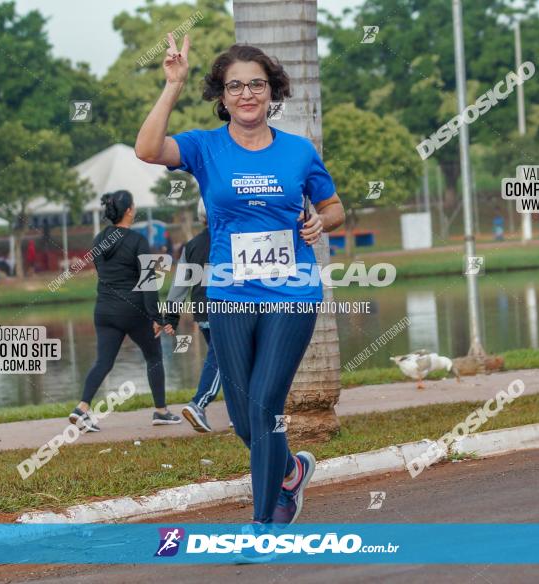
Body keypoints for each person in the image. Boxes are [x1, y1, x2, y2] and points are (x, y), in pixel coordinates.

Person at [135, 34, 346, 532]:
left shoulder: (298, 152)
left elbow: (334, 207)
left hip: (292, 293)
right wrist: (172, 84)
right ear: (222, 96)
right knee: (245, 417)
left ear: (273, 93)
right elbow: (147, 149)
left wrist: (321, 224)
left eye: (257, 84)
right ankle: (292, 470)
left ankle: (263, 522)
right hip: (229, 294)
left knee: (266, 403)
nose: (247, 94)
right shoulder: (204, 147)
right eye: (236, 86)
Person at [69, 190, 181, 431]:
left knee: (104, 361)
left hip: (104, 311)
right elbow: (148, 282)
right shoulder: (137, 241)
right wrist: (156, 317)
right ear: (129, 210)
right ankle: (161, 411)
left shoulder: (98, 239)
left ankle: (81, 409)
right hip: (132, 311)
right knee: (154, 356)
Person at [163, 198, 222, 432]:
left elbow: (180, 284)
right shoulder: (229, 240)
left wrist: (171, 317)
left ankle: (241, 413)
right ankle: (198, 404)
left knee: (232, 360)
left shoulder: (192, 245)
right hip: (224, 309)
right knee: (220, 361)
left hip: (202, 312)